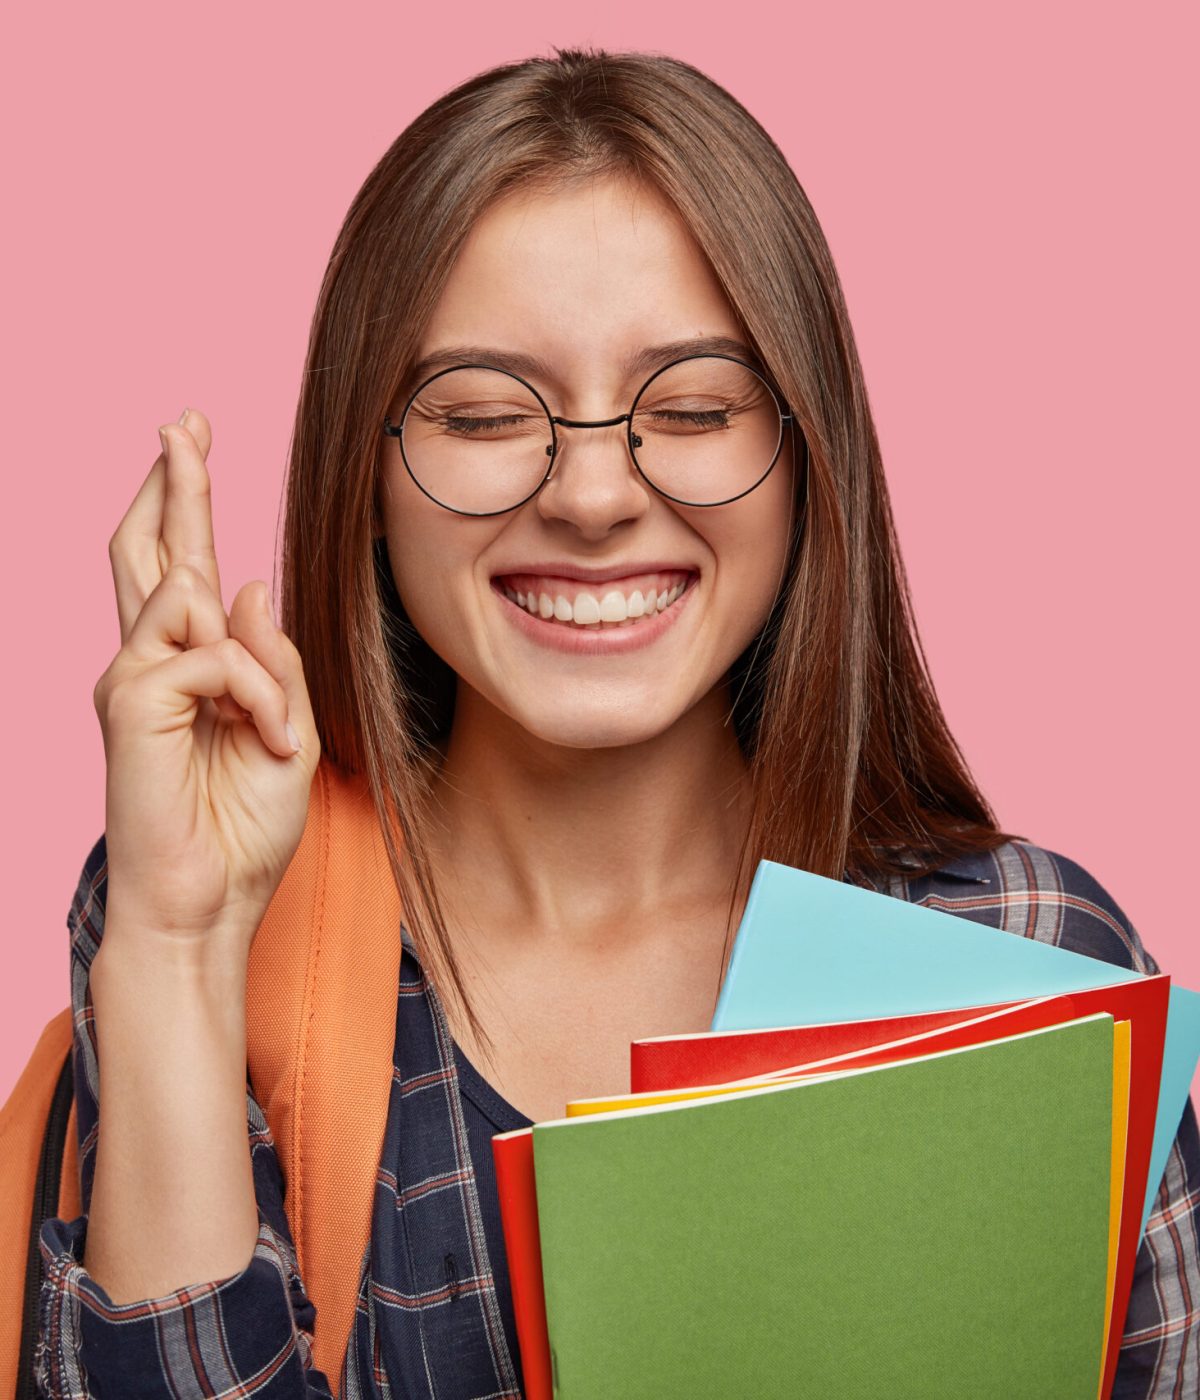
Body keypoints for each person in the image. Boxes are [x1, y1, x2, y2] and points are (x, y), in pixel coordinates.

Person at [34, 44, 1199, 1400]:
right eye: (481, 414)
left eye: (692, 406)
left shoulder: (1020, 959)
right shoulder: (217, 936)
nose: (591, 494)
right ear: (368, 472)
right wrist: (176, 947)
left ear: (808, 457)